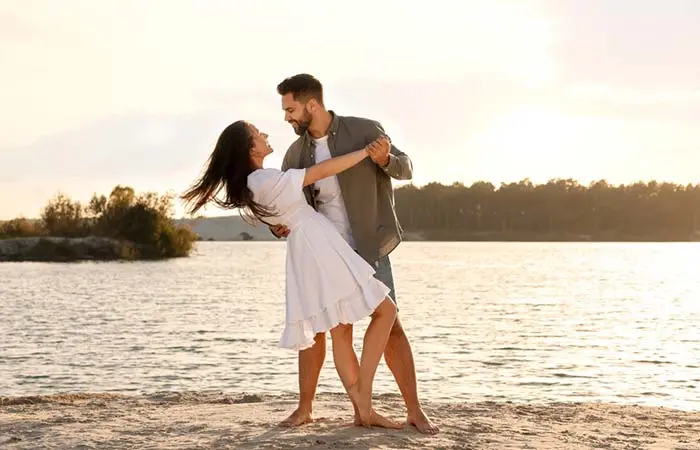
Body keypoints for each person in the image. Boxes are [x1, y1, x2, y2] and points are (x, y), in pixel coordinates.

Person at [181, 120, 402, 428]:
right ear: (250, 148)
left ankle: (363, 411)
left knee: (341, 329)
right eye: (258, 134)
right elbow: (323, 171)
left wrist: (277, 225)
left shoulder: (255, 183)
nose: (265, 135)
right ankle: (363, 397)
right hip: (318, 243)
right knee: (384, 310)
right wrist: (365, 153)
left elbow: (280, 216)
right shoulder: (264, 179)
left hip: (308, 244)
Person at [271, 74, 439, 434]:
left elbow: (406, 168)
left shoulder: (363, 130)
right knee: (325, 328)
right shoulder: (295, 154)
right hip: (325, 250)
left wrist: (386, 159)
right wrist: (278, 226)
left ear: (311, 104)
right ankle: (307, 408)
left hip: (369, 244)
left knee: (391, 324)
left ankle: (414, 409)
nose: (287, 117)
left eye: (290, 109)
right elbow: (285, 203)